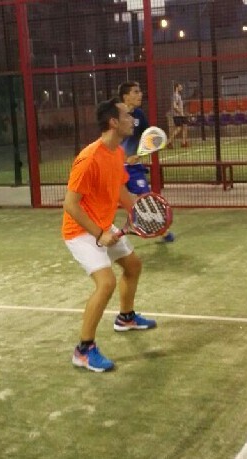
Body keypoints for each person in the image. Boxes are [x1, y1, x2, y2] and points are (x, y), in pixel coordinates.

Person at [62, 97, 157, 373]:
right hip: (80, 230)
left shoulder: (116, 153)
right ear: (113, 122)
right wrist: (99, 234)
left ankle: (126, 318)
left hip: (103, 224)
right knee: (106, 283)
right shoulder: (89, 158)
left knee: (133, 265)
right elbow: (70, 205)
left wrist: (141, 211)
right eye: (127, 115)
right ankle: (83, 350)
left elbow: (119, 190)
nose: (132, 119)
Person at [118, 80, 175, 243]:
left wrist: (141, 154)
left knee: (146, 197)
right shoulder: (115, 114)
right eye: (136, 92)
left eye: (140, 91)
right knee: (109, 200)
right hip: (115, 167)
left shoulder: (140, 115)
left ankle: (162, 230)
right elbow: (108, 142)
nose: (140, 95)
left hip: (134, 168)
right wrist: (123, 158)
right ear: (125, 96)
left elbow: (149, 137)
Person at [167, 82, 189, 149]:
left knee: (185, 126)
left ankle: (184, 142)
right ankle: (169, 141)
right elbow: (174, 106)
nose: (181, 88)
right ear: (177, 88)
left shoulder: (178, 95)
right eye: (180, 86)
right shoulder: (175, 95)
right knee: (179, 128)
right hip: (177, 115)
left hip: (181, 114)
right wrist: (180, 113)